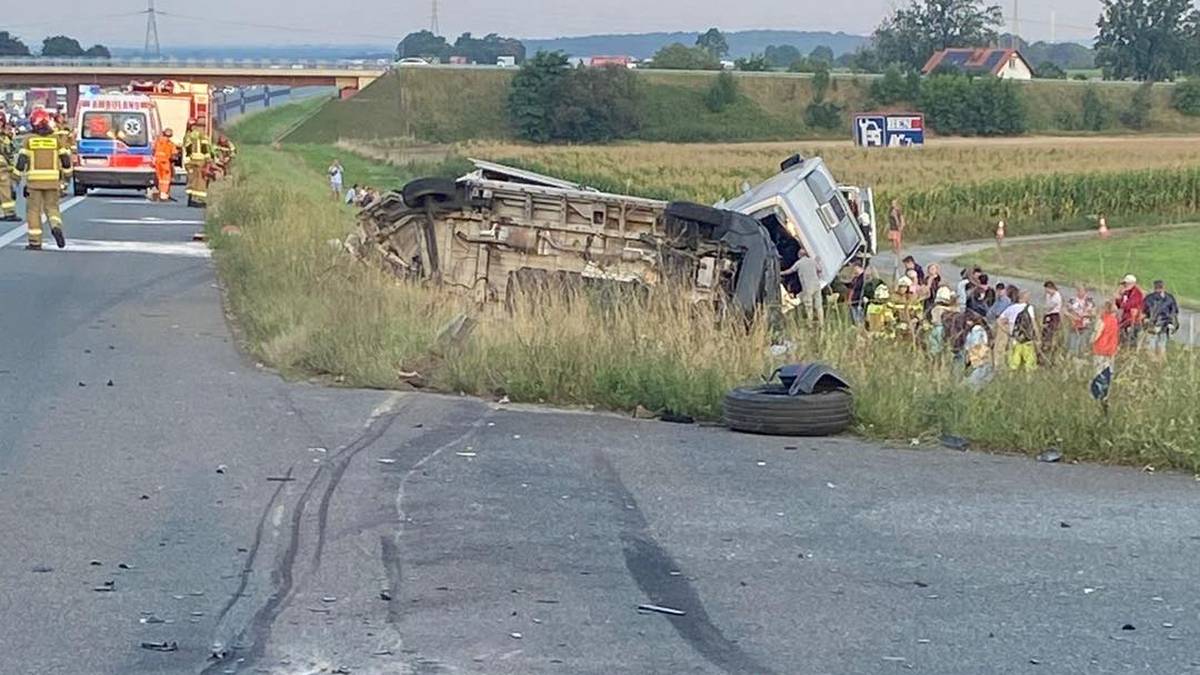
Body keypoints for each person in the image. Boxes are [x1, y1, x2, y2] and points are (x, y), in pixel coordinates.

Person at [15, 108, 72, 250]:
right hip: (53, 181)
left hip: (34, 183)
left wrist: (15, 177)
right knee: (52, 208)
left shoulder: (29, 140)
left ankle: (35, 242)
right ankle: (55, 226)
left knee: (33, 211)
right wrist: (67, 175)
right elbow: (65, 159)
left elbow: (22, 161)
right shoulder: (55, 139)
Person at [783, 249, 824, 325]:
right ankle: (821, 322)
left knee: (809, 305)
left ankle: (810, 323)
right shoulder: (812, 261)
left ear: (800, 255)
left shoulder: (799, 263)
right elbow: (820, 269)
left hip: (807, 286)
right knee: (819, 305)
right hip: (816, 285)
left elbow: (790, 271)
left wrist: (781, 273)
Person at [1142, 280, 1179, 361]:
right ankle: (1159, 363)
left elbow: (1143, 311)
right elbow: (1174, 312)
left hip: (1157, 325)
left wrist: (1145, 320)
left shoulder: (1150, 298)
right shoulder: (1169, 298)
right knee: (1160, 346)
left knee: (1154, 346)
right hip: (1161, 326)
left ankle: (1155, 363)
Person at [183, 119, 212, 207]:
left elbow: (187, 149)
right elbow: (204, 148)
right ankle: (198, 200)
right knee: (200, 181)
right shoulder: (202, 135)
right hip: (200, 161)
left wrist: (187, 162)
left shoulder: (188, 135)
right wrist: (208, 160)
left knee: (192, 181)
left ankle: (191, 199)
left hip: (191, 161)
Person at [1064, 285, 1096, 357]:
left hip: (1085, 325)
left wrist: (1085, 315)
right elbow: (1065, 311)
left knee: (1083, 344)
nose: (1080, 292)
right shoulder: (1072, 300)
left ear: (1086, 292)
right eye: (1078, 290)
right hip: (1074, 324)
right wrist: (1072, 316)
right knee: (1072, 343)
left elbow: (1094, 314)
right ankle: (1072, 357)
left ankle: (1080, 357)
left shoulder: (1089, 301)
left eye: (1082, 291)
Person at [1115, 274, 1144, 347]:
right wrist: (1118, 299)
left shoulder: (1137, 293)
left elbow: (1129, 305)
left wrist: (1120, 300)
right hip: (1124, 320)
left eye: (1125, 284)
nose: (1124, 285)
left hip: (1132, 320)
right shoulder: (1126, 292)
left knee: (1130, 341)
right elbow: (1120, 305)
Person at [1093, 300, 1120, 373]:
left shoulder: (1102, 320)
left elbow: (1096, 335)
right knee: (1108, 370)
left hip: (1101, 348)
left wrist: (1091, 342)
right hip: (1111, 348)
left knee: (1098, 370)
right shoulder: (1115, 320)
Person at [152, 128, 176, 202]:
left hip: (157, 162)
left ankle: (158, 192)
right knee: (165, 179)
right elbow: (174, 154)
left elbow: (153, 150)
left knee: (159, 178)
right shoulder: (170, 143)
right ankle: (163, 195)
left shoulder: (157, 141)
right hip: (165, 162)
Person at [1041, 281, 1064, 359]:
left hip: (1054, 315)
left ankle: (1049, 347)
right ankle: (1044, 345)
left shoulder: (1057, 296)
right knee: (1044, 331)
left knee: (1051, 332)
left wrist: (1045, 308)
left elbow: (1050, 307)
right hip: (1047, 314)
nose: (1046, 292)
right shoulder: (1048, 295)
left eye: (1047, 290)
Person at [846, 260, 867, 325]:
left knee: (860, 319)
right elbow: (851, 289)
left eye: (855, 268)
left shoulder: (864, 277)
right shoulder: (855, 278)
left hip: (859, 301)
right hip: (854, 301)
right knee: (855, 320)